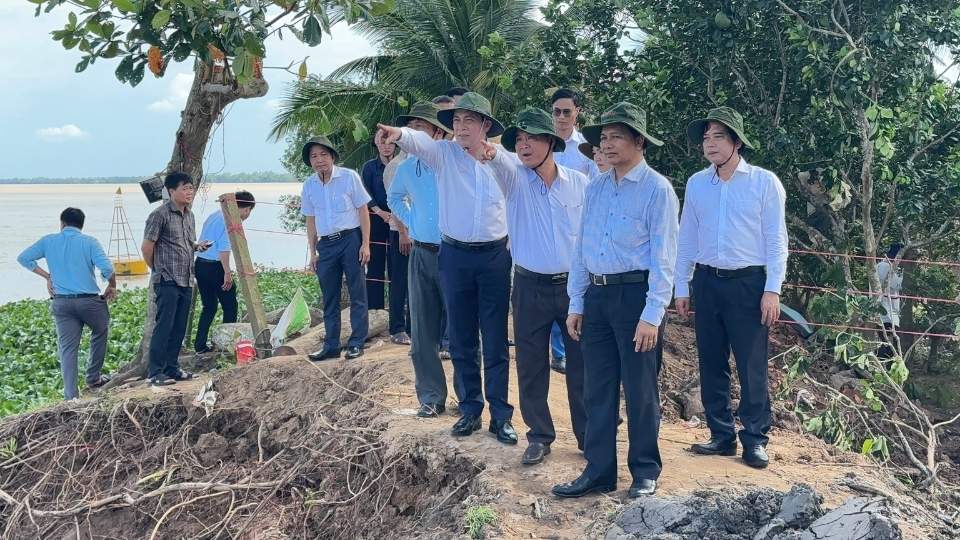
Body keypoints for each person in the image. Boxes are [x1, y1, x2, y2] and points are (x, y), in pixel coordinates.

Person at [552, 102, 679, 499]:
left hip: (635, 296)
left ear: (638, 141)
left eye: (615, 136)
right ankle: (599, 470)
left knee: (640, 389)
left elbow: (664, 258)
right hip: (598, 294)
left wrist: (652, 315)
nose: (605, 144)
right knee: (597, 387)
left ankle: (644, 470)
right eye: (602, 137)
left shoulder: (658, 190)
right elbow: (581, 247)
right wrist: (577, 302)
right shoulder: (597, 188)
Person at [376, 92, 517, 445]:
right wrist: (399, 134)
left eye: (469, 120)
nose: (461, 127)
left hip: (495, 257)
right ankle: (470, 409)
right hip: (454, 256)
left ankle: (501, 415)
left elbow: (519, 192)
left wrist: (494, 158)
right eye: (456, 121)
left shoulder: (504, 161)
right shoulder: (443, 155)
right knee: (461, 336)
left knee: (495, 339)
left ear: (485, 125)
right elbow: (420, 141)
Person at [674, 107, 788, 470]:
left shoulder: (763, 182)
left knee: (751, 364)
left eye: (718, 136)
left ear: (737, 142)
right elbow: (687, 237)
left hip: (749, 284)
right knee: (711, 361)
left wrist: (772, 289)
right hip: (707, 281)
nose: (710, 143)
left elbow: (776, 239)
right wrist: (682, 284)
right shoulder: (696, 183)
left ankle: (754, 438)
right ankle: (721, 434)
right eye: (706, 137)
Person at [480, 107, 589, 465]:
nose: (524, 146)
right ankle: (539, 435)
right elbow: (497, 158)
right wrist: (490, 150)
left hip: (573, 287)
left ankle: (588, 436)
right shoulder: (513, 179)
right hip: (528, 286)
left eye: (532, 139)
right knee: (530, 363)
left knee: (581, 364)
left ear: (551, 143)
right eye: (520, 140)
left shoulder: (579, 183)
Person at [387, 101, 458, 417]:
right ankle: (431, 397)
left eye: (420, 128)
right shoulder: (404, 169)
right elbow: (393, 197)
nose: (413, 134)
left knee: (462, 328)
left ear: (438, 133)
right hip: (422, 253)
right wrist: (410, 222)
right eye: (410, 128)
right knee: (422, 330)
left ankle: (469, 400)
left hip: (456, 254)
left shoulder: (455, 163)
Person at [18, 207, 116, 399]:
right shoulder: (89, 242)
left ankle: (71, 396)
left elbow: (23, 258)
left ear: (62, 223)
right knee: (100, 331)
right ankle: (93, 377)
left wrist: (48, 277)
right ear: (82, 224)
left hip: (62, 303)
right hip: (89, 301)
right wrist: (111, 285)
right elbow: (107, 267)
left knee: (68, 348)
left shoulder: (48, 241)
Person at [300, 136, 372, 361]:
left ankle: (357, 342)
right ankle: (331, 345)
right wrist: (313, 252)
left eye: (323, 155)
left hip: (351, 239)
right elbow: (310, 220)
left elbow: (363, 211)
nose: (319, 160)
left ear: (332, 156)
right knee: (329, 296)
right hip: (326, 245)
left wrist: (366, 244)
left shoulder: (349, 177)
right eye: (314, 156)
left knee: (357, 292)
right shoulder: (309, 185)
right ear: (310, 161)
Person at [548, 88, 600, 374]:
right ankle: (557, 351)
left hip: (576, 228)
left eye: (567, 111)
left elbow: (595, 185)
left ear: (577, 112)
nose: (561, 117)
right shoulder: (544, 143)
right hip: (546, 226)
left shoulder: (585, 149)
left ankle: (570, 349)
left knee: (571, 290)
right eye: (556, 111)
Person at [142, 172, 209, 386]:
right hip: (167, 279)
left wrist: (198, 246)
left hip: (186, 278)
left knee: (180, 326)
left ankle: (172, 367)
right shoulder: (159, 215)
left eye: (191, 188)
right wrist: (157, 270)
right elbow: (147, 247)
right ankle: (155, 372)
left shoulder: (189, 215)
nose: (189, 192)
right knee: (164, 326)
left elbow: (187, 242)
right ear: (171, 192)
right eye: (184, 188)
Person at [193, 190, 256, 353]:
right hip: (215, 266)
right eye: (248, 212)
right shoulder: (229, 220)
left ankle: (200, 345)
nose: (247, 215)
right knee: (230, 306)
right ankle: (226, 343)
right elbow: (223, 249)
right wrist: (227, 272)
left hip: (200, 264)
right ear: (246, 209)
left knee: (209, 306)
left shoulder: (214, 215)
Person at [362, 137, 411, 345]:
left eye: (389, 143)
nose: (386, 146)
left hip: (402, 222)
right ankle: (376, 315)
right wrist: (380, 212)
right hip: (377, 220)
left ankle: (402, 321)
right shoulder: (371, 167)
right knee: (375, 268)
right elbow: (365, 194)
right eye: (382, 143)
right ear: (376, 145)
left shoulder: (409, 163)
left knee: (397, 273)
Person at [875, 243, 903, 359]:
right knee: (889, 342)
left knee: (888, 341)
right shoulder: (885, 267)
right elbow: (897, 285)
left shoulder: (880, 266)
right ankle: (883, 362)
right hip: (887, 311)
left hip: (886, 309)